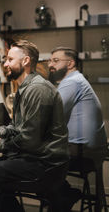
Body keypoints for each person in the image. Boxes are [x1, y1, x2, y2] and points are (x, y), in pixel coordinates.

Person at [0, 40, 69, 212]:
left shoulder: (37, 89)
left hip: (45, 165)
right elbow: (17, 126)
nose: (6, 64)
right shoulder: (26, 88)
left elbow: (29, 140)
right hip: (36, 159)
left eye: (10, 59)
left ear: (25, 61)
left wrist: (1, 144)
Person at [48, 46, 107, 210]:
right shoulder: (77, 80)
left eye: (56, 60)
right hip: (93, 151)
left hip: (83, 152)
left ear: (71, 63)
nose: (50, 65)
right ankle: (62, 195)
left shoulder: (72, 82)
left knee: (31, 158)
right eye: (50, 60)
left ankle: (62, 196)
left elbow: (50, 116)